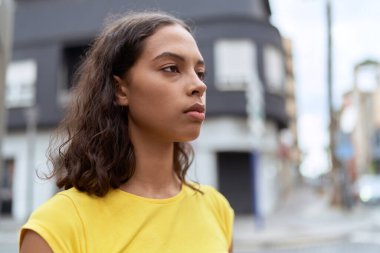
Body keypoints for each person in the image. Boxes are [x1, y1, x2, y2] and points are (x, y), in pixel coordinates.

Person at [19, 11, 234, 253]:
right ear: (120, 89)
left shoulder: (217, 209)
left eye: (200, 72)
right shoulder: (56, 229)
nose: (199, 85)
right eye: (172, 68)